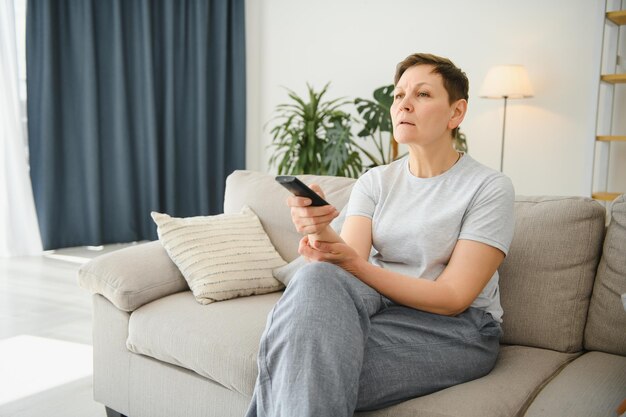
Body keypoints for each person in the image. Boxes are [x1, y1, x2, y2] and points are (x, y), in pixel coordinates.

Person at [245, 53, 515, 417]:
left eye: (422, 95)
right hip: (384, 311)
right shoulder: (375, 181)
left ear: (456, 113)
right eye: (399, 94)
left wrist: (354, 265)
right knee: (317, 279)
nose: (404, 104)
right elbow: (346, 262)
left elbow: (453, 297)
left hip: (457, 328)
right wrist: (319, 225)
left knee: (296, 365)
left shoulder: (488, 187)